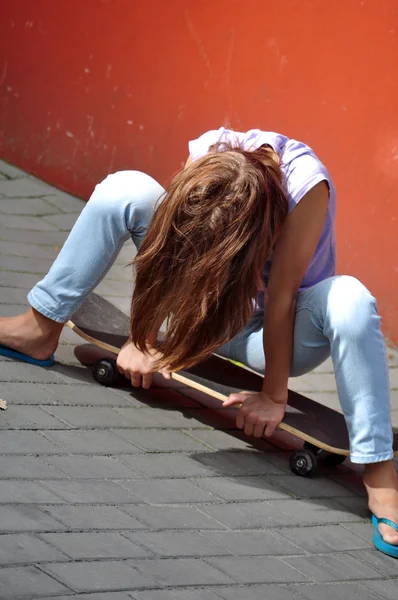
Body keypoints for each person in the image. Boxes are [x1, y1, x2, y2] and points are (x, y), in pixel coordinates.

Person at [0, 127, 397, 556]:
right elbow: (165, 247)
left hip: (270, 336)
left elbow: (281, 300)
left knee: (351, 299)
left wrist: (273, 396)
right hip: (200, 312)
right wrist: (144, 338)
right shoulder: (209, 154)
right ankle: (39, 328)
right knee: (127, 189)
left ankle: (378, 470)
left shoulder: (306, 189)